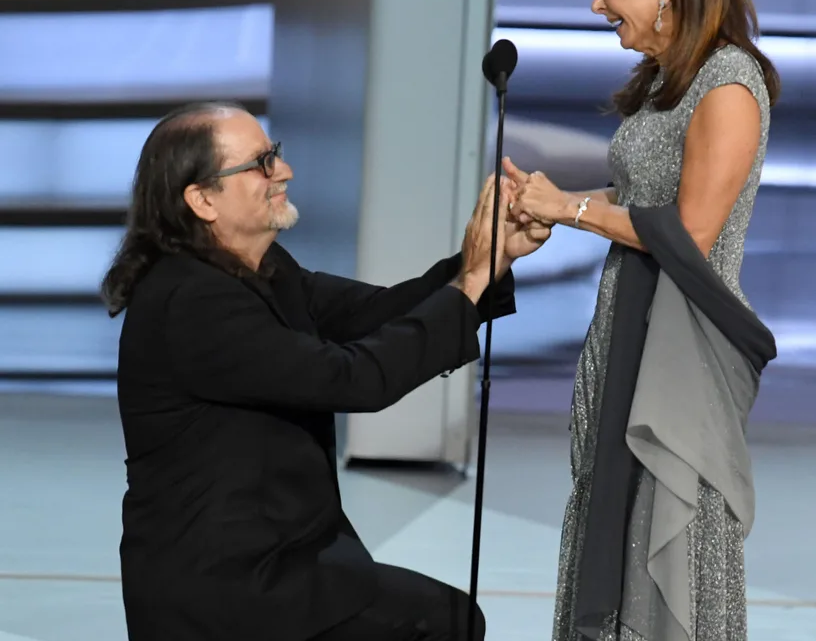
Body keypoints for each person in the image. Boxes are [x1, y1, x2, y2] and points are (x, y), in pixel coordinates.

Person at [99, 101, 552, 641]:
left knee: (449, 620)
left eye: (276, 155)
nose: (283, 171)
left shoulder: (260, 269)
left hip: (284, 563)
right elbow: (353, 378)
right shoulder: (191, 302)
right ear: (202, 200)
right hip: (228, 590)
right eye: (259, 164)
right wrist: (471, 284)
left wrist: (486, 262)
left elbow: (378, 313)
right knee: (444, 626)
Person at [502, 0, 781, 641]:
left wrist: (573, 209)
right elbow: (639, 200)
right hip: (626, 327)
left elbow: (688, 231)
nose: (597, 3)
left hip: (680, 354)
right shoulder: (667, 80)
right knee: (609, 511)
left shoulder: (728, 83)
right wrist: (549, 204)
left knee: (667, 525)